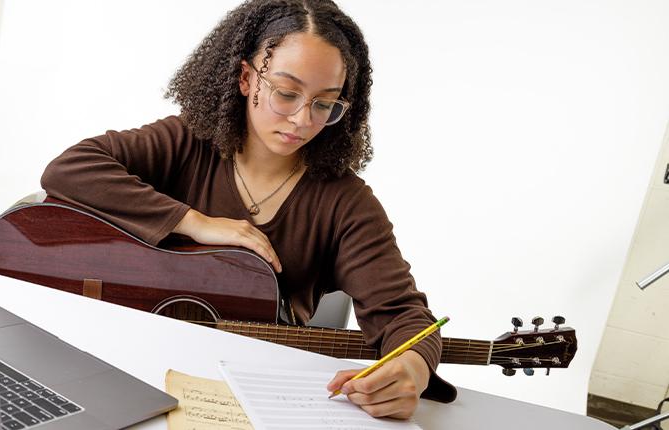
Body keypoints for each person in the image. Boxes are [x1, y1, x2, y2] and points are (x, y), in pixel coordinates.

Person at [40, 0, 456, 419]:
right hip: (128, 370)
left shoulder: (346, 204)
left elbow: (403, 314)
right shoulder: (187, 143)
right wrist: (195, 223)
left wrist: (412, 370)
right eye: (287, 93)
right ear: (245, 77)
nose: (301, 119)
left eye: (324, 104)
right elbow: (70, 168)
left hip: (250, 400)